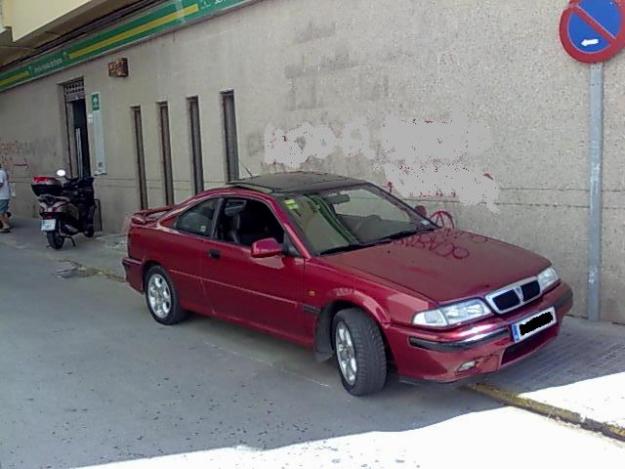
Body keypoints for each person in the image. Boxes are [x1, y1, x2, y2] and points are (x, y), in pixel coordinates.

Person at [0, 162, 12, 233]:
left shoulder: (0, 173)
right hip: (3, 196)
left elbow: (0, 183)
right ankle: (6, 225)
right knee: (3, 212)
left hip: (2, 196)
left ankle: (5, 226)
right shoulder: (2, 172)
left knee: (1, 213)